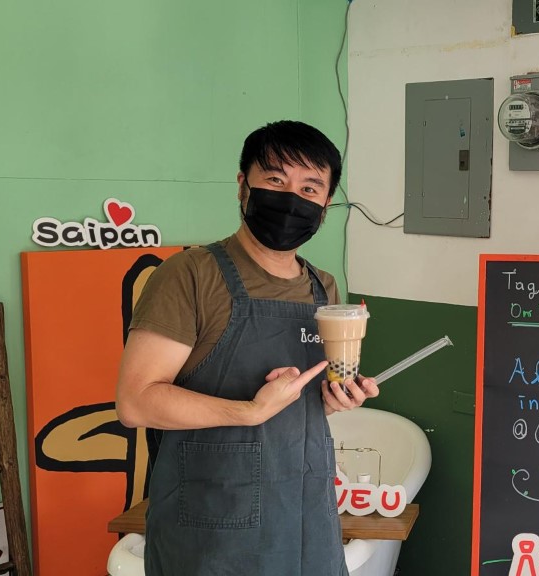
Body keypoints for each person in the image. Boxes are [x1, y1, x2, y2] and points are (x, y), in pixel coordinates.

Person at [115, 120, 379, 576]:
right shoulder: (190, 275)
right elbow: (135, 402)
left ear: (326, 205)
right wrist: (247, 411)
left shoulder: (324, 288)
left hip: (305, 518)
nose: (292, 198)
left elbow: (302, 402)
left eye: (310, 187)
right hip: (213, 527)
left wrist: (335, 400)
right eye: (275, 180)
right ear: (243, 186)